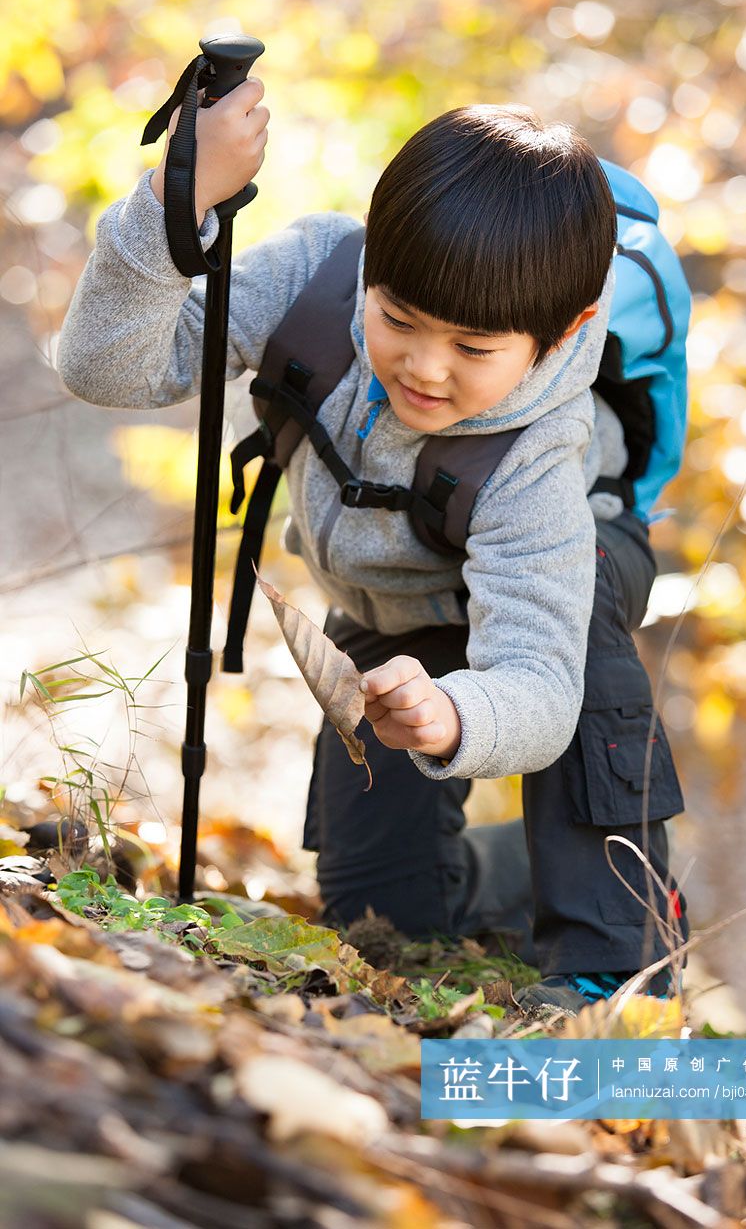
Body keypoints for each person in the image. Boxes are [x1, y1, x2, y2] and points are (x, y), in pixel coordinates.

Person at [57, 79, 690, 1013]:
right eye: (398, 320)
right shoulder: (318, 277)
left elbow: (542, 684)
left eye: (474, 349)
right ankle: (511, 874)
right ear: (370, 273)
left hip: (561, 587)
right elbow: (109, 366)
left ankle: (617, 953)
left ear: (565, 333)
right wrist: (172, 200)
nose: (424, 368)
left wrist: (456, 714)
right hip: (397, 607)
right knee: (380, 915)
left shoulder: (543, 457)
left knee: (584, 610)